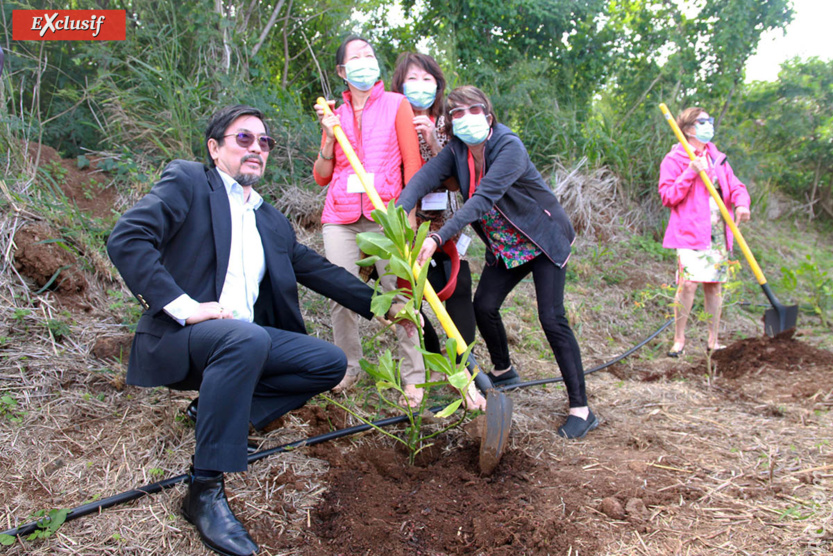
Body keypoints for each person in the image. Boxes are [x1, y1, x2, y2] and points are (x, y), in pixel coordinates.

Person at [107, 105, 413, 556]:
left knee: (328, 362)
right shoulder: (189, 181)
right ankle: (204, 490)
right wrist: (185, 307)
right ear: (215, 148)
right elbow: (127, 238)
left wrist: (383, 306)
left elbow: (317, 270)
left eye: (264, 142)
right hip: (185, 339)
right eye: (243, 139)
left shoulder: (269, 218)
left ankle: (222, 413)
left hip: (241, 343)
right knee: (245, 335)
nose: (256, 148)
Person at [397, 86, 597, 439]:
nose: (464, 118)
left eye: (473, 110)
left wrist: (438, 237)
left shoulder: (509, 147)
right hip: (507, 246)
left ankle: (581, 409)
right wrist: (398, 213)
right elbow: (423, 179)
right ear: (448, 122)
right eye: (455, 113)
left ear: (488, 115)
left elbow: (482, 199)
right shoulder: (458, 150)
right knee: (484, 306)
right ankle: (505, 372)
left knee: (551, 318)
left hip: (542, 238)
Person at [313, 35, 427, 397]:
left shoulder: (397, 104)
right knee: (340, 292)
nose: (365, 61)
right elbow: (321, 175)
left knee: (400, 294)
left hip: (387, 213)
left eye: (370, 54)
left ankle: (414, 374)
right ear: (342, 71)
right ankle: (349, 367)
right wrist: (329, 137)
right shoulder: (336, 113)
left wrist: (407, 212)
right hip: (340, 216)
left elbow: (413, 163)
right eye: (356, 57)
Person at [390, 52, 477, 406]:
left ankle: (463, 364)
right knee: (411, 296)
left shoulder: (448, 122)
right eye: (413, 79)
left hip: (445, 223)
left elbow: (457, 182)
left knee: (456, 287)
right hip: (406, 222)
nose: (421, 86)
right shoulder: (391, 119)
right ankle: (427, 360)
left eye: (428, 79)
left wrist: (435, 141)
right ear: (400, 84)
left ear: (438, 85)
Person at [658, 107, 751, 357]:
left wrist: (742, 203)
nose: (708, 124)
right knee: (688, 284)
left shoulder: (718, 157)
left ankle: (713, 340)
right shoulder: (675, 158)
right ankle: (679, 340)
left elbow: (736, 185)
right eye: (703, 121)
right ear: (688, 129)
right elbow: (668, 196)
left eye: (710, 120)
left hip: (717, 231)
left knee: (714, 286)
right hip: (689, 231)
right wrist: (691, 171)